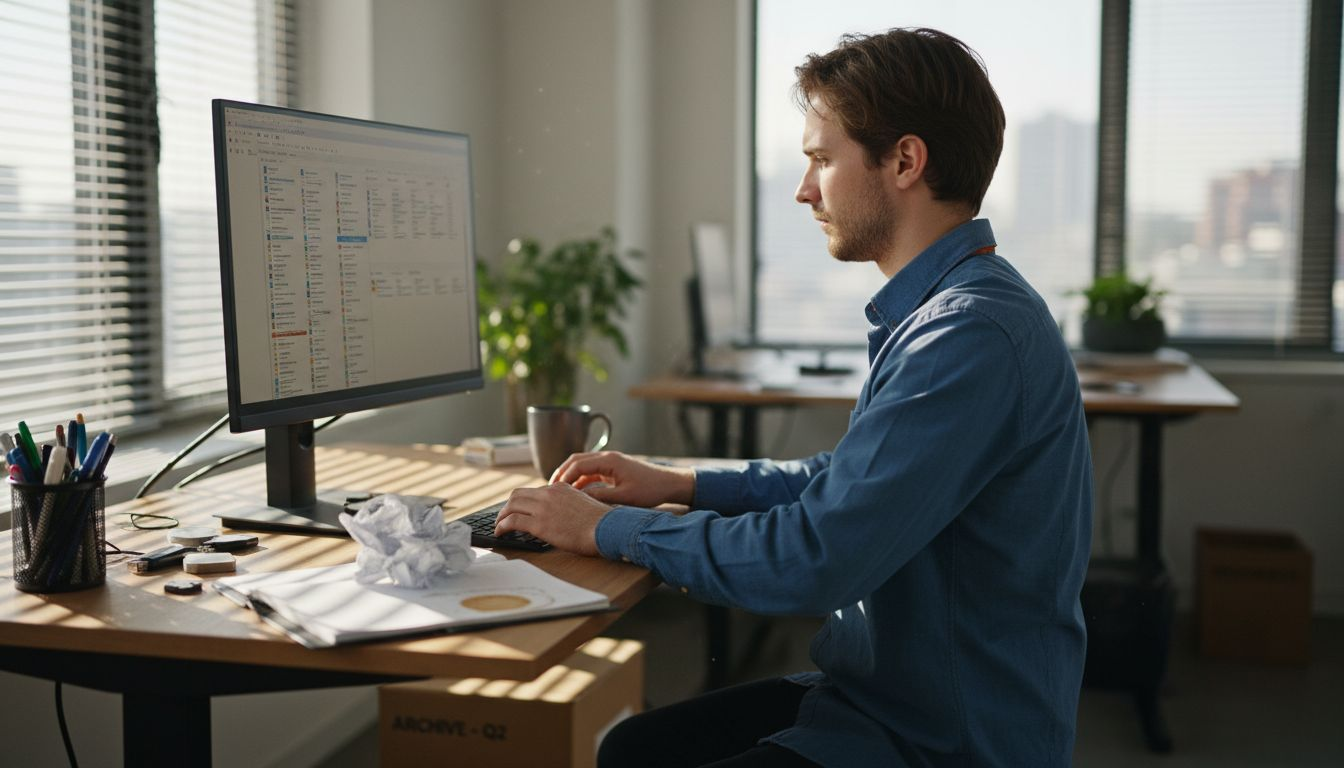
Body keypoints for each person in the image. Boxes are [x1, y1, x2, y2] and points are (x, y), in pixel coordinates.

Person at [495, 27, 1093, 768]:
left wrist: (608, 529)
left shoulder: (966, 334)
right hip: (884, 696)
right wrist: (681, 483)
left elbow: (817, 557)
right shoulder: (946, 309)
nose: (805, 188)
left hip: (941, 737)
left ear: (905, 161)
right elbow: (847, 485)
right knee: (633, 749)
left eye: (822, 159)